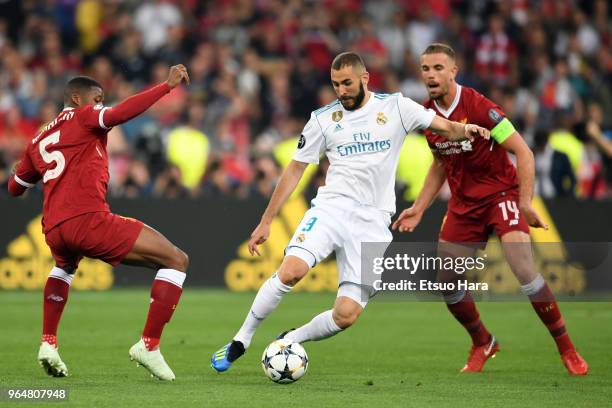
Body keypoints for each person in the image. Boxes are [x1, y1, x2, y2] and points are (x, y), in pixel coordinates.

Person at [211, 51, 490, 372]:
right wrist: (266, 220)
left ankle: (291, 339)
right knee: (291, 271)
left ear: (365, 78)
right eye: (335, 85)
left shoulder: (397, 107)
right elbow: (294, 170)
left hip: (373, 223)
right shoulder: (323, 119)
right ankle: (241, 339)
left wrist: (468, 130)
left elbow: (445, 127)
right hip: (332, 208)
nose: (341, 90)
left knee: (346, 315)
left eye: (346, 83)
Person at [392, 43, 588, 375]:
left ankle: (567, 349)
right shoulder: (427, 116)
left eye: (439, 68)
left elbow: (523, 152)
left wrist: (524, 202)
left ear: (453, 71)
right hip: (464, 205)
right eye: (426, 69)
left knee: (522, 265)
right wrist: (420, 207)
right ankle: (483, 341)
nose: (431, 75)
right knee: (447, 282)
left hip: (500, 195)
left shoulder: (480, 107)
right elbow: (440, 163)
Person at [8, 65, 191, 381]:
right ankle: (149, 344)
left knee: (63, 268)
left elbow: (15, 189)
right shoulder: (83, 117)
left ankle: (48, 343)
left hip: (54, 229)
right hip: (88, 220)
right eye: (97, 98)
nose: (99, 104)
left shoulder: (38, 137)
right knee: (176, 260)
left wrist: (23, 167)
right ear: (77, 99)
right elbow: (120, 113)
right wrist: (166, 86)